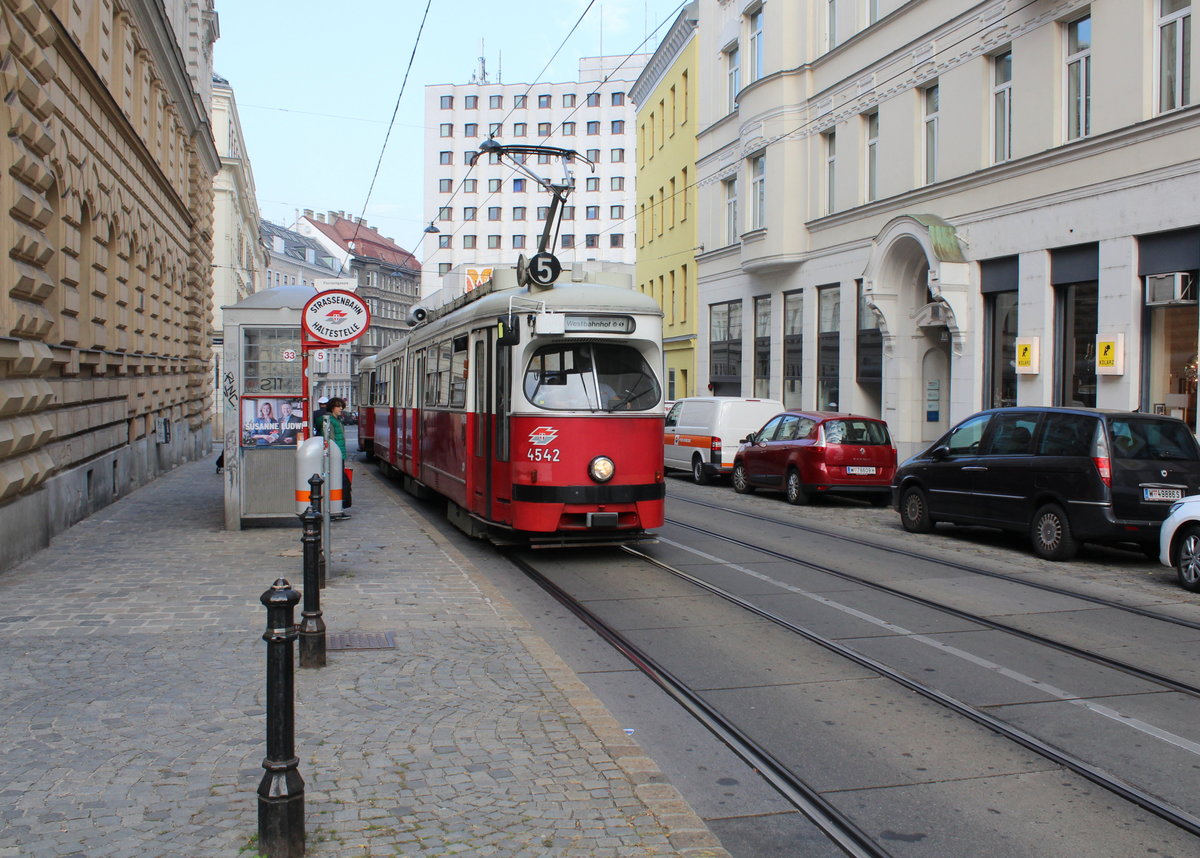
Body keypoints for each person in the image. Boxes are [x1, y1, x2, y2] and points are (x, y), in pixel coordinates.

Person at [325, 397, 351, 519]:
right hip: (335, 456)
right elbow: (330, 440)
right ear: (332, 408)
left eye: (341, 406)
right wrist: (334, 455)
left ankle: (337, 508)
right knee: (339, 482)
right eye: (338, 406)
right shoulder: (330, 421)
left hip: (339, 455)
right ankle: (335, 509)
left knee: (340, 482)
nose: (341, 408)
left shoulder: (337, 420)